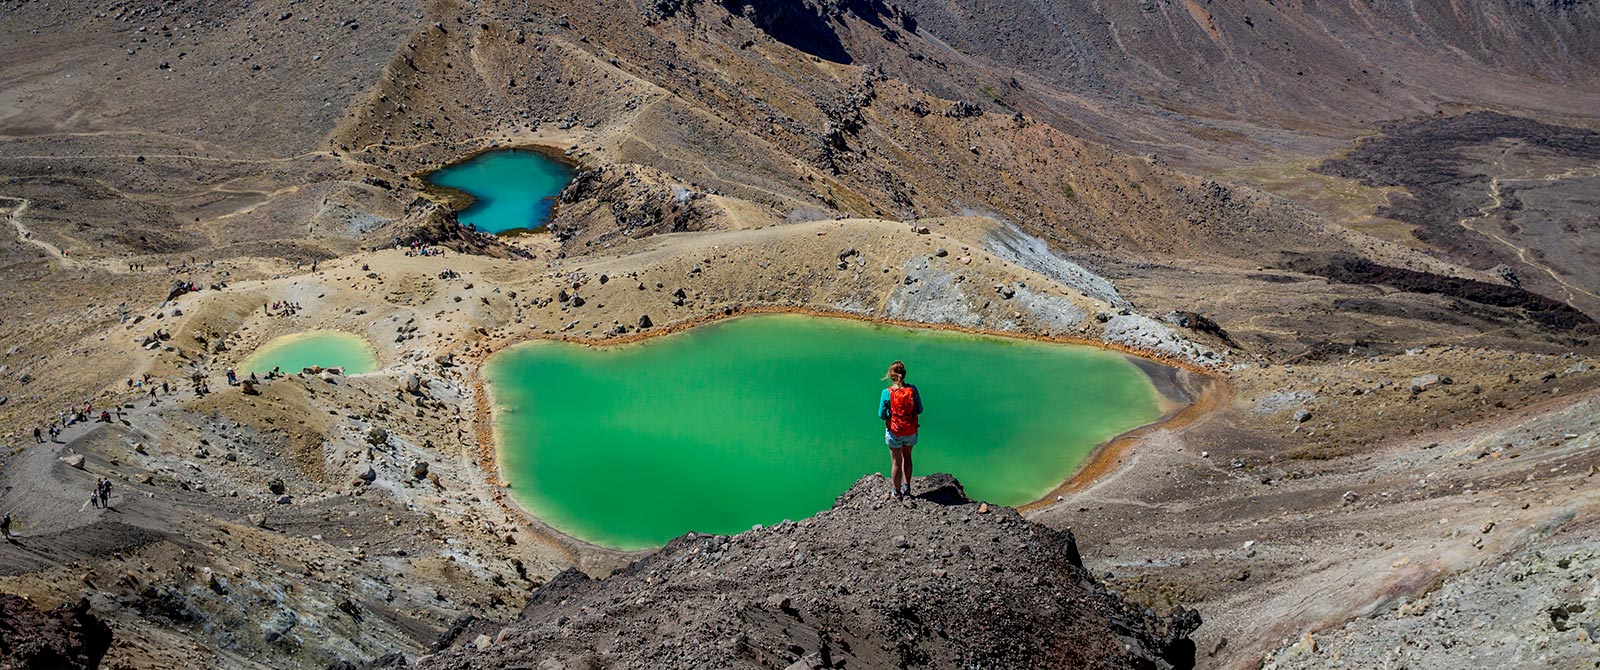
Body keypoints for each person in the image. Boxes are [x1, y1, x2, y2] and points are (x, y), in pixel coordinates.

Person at [878, 360, 923, 501]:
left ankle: (896, 492)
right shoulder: (913, 389)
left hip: (894, 432)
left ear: (890, 375)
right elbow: (920, 409)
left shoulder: (887, 393)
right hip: (910, 431)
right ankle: (907, 488)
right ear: (904, 374)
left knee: (896, 462)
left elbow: (881, 415)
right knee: (907, 458)